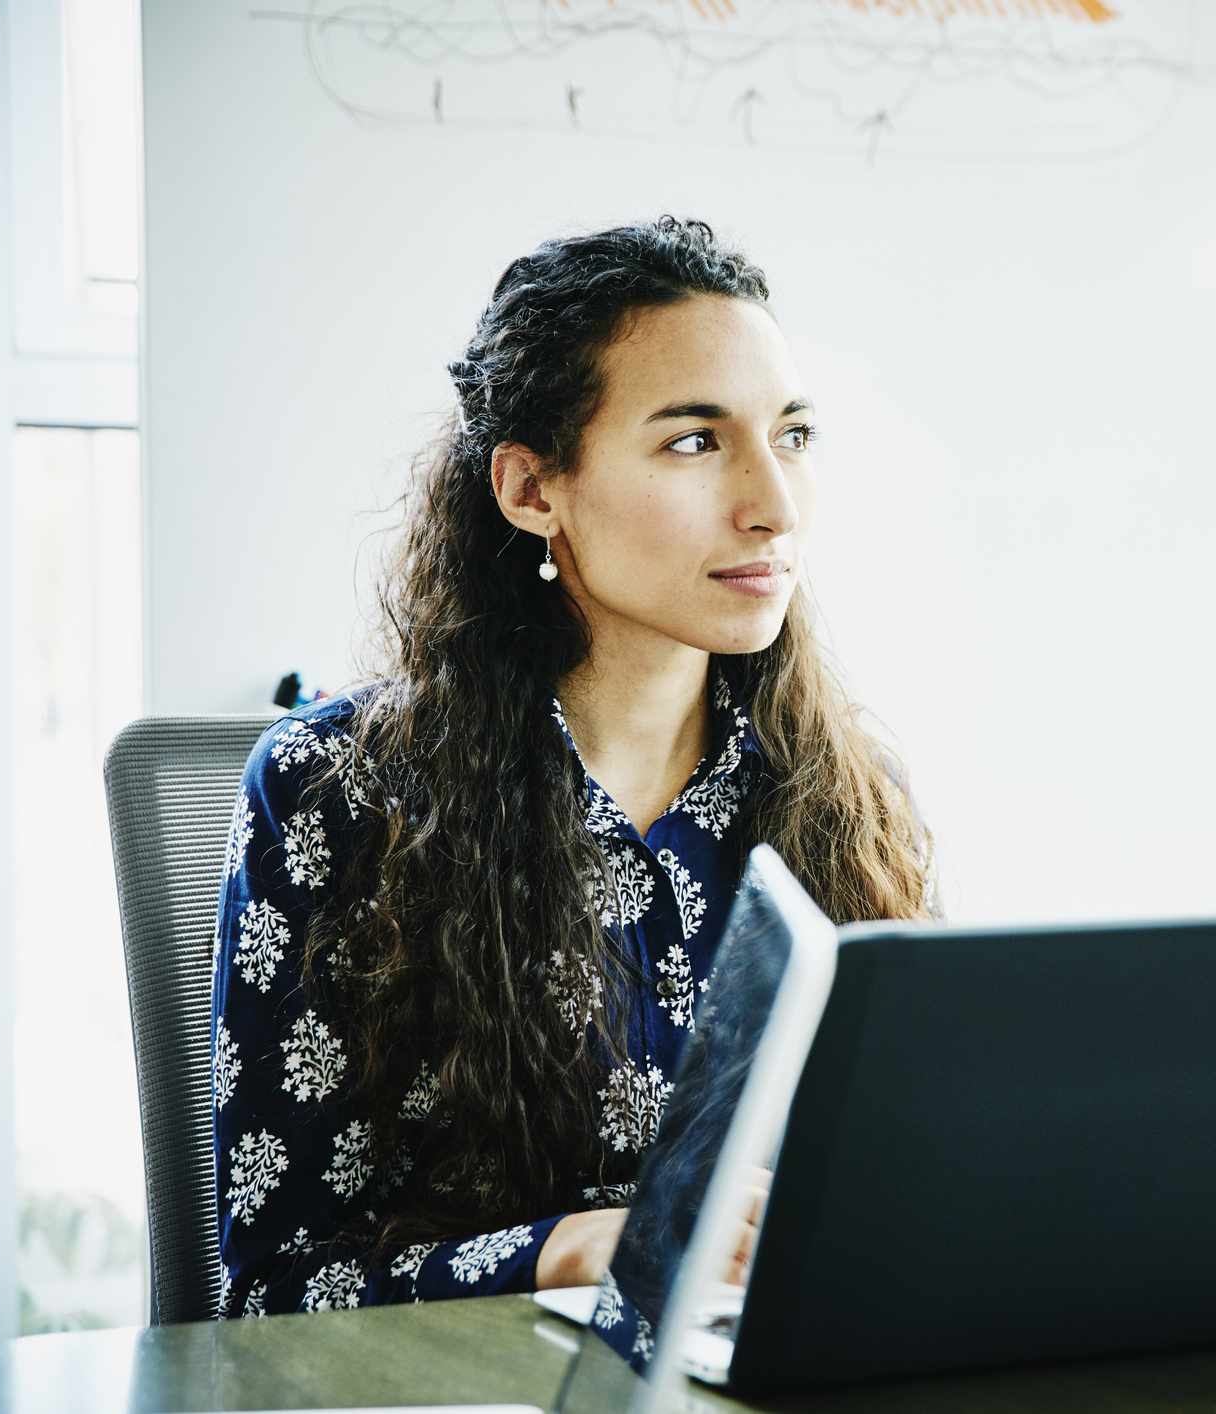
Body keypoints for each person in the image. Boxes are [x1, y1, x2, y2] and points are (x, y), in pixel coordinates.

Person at [208, 216, 937, 1318]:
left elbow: (917, 1181)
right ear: (531, 490)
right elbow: (275, 1291)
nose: (775, 506)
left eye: (792, 435)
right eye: (695, 441)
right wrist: (560, 1251)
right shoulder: (336, 789)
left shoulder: (843, 787)